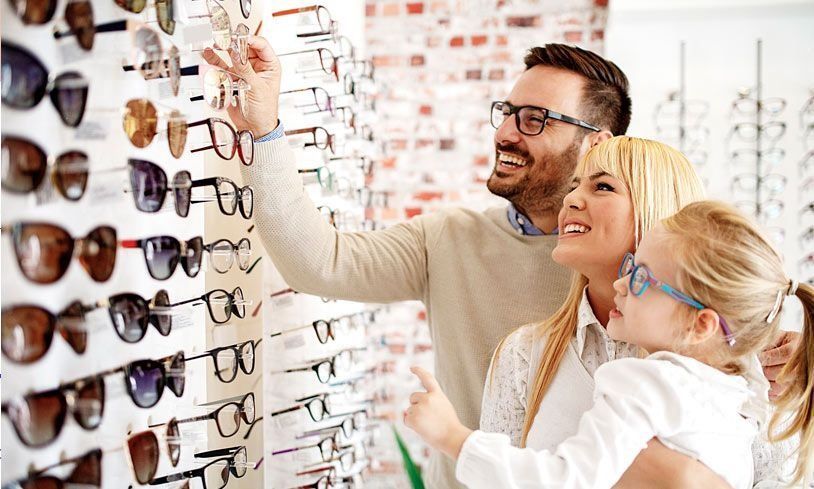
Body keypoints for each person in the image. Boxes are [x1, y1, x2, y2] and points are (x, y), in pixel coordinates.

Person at [203, 39, 798, 487]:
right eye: (507, 112)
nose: (506, 133)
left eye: (535, 119)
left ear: (598, 143)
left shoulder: (699, 308)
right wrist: (265, 129)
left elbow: (767, 466)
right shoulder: (453, 246)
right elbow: (322, 264)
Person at [404, 199, 813, 488]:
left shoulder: (642, 382)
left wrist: (451, 437)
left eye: (641, 277)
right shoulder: (738, 396)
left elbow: (568, 480)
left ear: (700, 324)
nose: (622, 283)